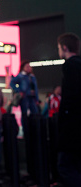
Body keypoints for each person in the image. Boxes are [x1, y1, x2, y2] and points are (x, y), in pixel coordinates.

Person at [56, 33, 81, 186]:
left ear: (64, 48)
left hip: (72, 127)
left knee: (65, 166)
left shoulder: (70, 65)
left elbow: (70, 98)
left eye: (58, 48)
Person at [10, 61, 39, 131]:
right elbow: (12, 83)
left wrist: (37, 99)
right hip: (25, 97)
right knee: (24, 114)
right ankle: (25, 129)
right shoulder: (20, 76)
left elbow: (35, 88)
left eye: (29, 67)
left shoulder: (32, 77)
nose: (29, 68)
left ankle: (34, 128)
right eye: (27, 67)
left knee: (35, 113)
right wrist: (19, 91)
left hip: (32, 97)